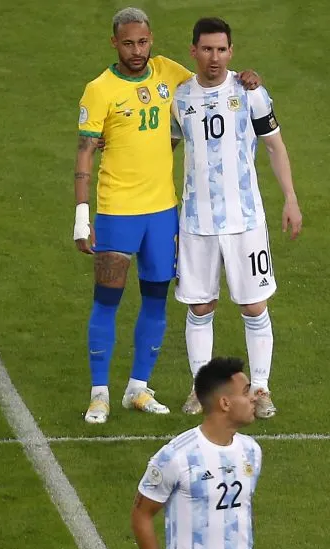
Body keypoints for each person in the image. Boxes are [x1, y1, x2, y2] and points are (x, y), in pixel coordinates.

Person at [74, 7, 261, 424]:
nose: (137, 50)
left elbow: (210, 81)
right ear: (114, 43)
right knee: (107, 300)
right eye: (128, 43)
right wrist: (81, 216)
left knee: (156, 301)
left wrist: (248, 77)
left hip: (163, 212)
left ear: (152, 38)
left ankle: (138, 389)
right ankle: (99, 393)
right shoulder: (99, 89)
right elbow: (85, 150)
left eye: (143, 42)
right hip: (118, 210)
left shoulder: (167, 73)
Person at [169, 17, 303, 419]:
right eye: (207, 49)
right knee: (200, 306)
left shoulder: (251, 94)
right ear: (193, 50)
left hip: (245, 219)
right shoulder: (179, 99)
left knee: (254, 305)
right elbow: (161, 150)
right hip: (195, 221)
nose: (215, 57)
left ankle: (259, 389)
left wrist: (291, 199)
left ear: (232, 51)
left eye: (222, 49)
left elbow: (275, 148)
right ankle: (201, 389)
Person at [131, 356, 263, 549]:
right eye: (246, 392)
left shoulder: (251, 451)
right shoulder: (176, 456)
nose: (254, 398)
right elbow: (141, 515)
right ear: (225, 403)